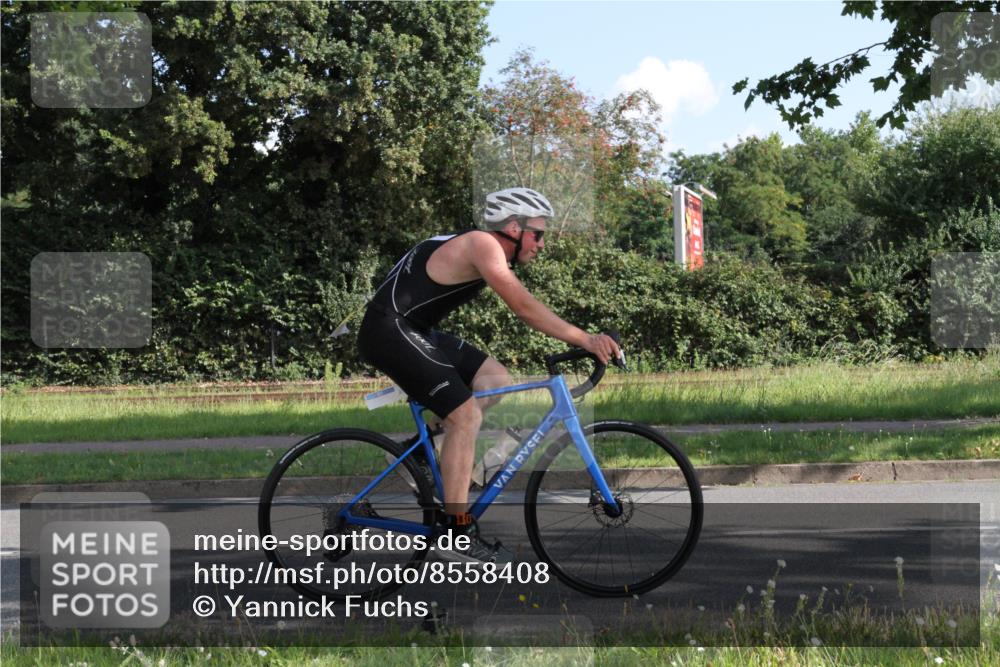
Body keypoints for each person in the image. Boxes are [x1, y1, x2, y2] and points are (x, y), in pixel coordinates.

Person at [358, 187, 620, 564]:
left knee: (495, 380)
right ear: (514, 227)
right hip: (390, 330)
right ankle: (457, 531)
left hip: (411, 328)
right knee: (465, 415)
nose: (542, 244)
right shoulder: (483, 244)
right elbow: (523, 306)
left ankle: (416, 456)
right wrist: (586, 338)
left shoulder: (478, 242)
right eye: (538, 234)